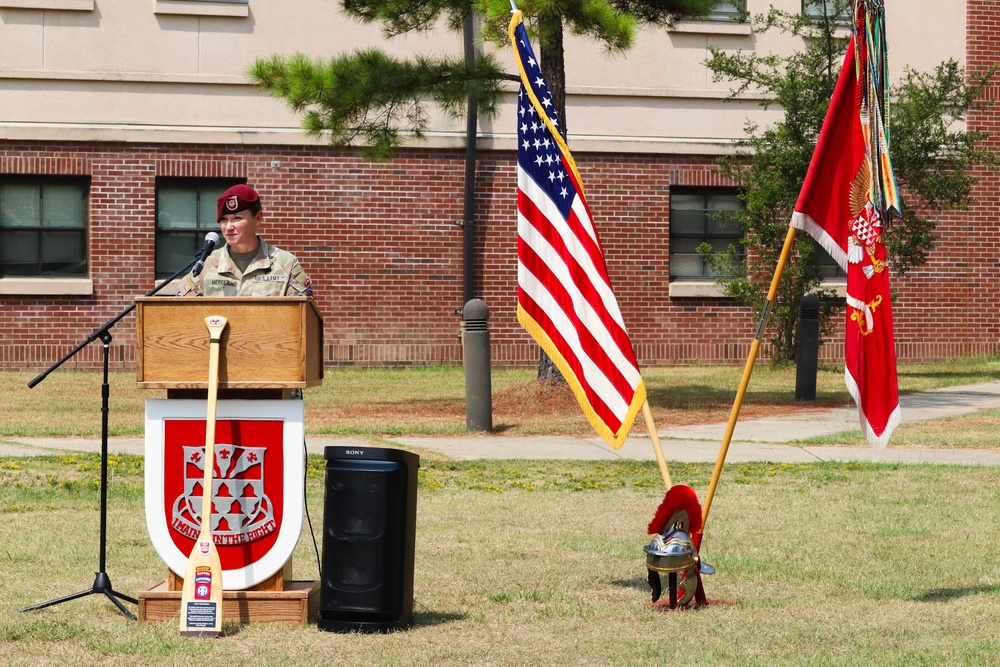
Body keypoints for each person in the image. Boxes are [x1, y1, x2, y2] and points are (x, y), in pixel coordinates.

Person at [177, 184, 312, 297]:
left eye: (237, 218)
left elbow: (303, 317)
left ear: (258, 218)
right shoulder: (206, 265)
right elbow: (181, 314)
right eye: (224, 219)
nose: (228, 227)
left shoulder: (286, 264)